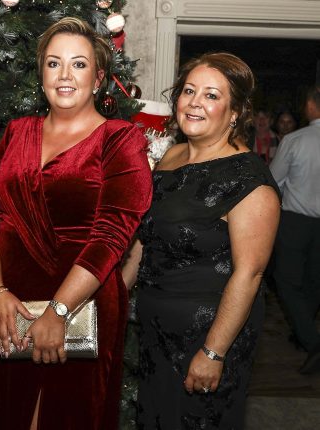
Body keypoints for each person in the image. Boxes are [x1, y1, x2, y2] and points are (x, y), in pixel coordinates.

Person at [0, 17, 152, 429]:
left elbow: (111, 236)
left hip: (83, 304)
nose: (65, 75)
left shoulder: (121, 140)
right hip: (12, 307)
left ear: (98, 78)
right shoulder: (16, 133)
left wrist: (59, 311)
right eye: (54, 63)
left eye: (78, 64)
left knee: (72, 416)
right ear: (41, 74)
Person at [122, 52, 280, 429]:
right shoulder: (171, 156)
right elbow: (146, 237)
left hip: (206, 336)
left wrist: (213, 352)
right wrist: (115, 297)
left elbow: (250, 274)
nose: (195, 102)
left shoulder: (249, 179)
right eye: (189, 91)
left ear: (235, 111)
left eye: (211, 95)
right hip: (155, 331)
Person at [269, 86, 320, 374]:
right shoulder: (295, 138)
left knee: (286, 281)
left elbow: (274, 181)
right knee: (314, 280)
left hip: (295, 221)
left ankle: (311, 340)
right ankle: (304, 334)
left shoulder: (295, 140)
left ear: (311, 106)